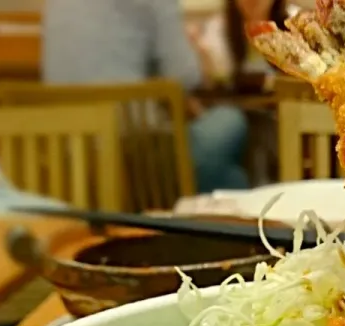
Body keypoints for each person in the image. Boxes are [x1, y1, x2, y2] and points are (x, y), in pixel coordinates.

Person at [42, 0, 249, 194]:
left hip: (68, 158)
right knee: (230, 121)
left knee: (228, 175)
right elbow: (186, 76)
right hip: (134, 160)